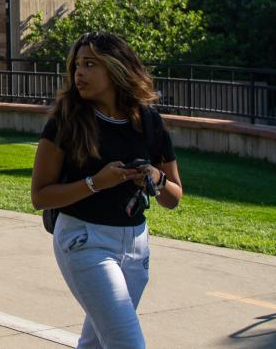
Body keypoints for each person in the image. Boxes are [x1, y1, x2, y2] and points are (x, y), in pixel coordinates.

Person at [30, 32, 184, 349]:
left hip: (136, 245)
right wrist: (95, 183)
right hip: (84, 239)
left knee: (97, 343)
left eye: (90, 64)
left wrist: (154, 178)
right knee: (128, 344)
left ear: (116, 69)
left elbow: (174, 197)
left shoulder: (150, 122)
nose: (79, 74)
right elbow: (40, 196)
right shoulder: (66, 121)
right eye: (76, 66)